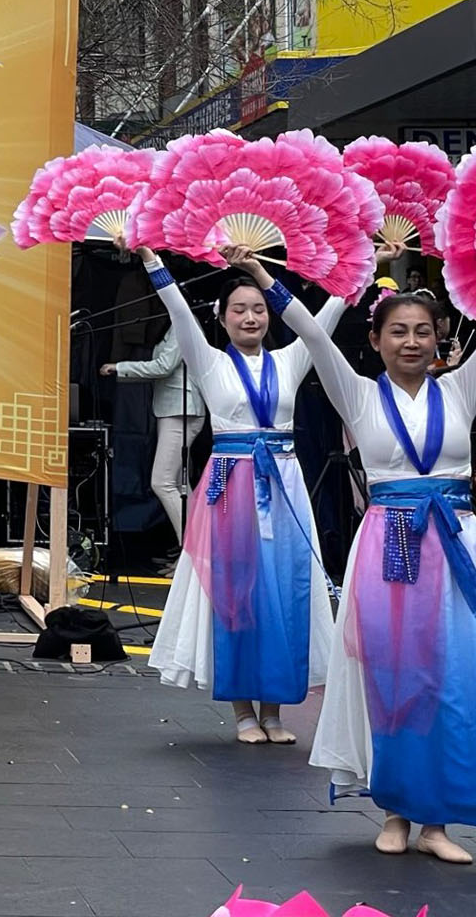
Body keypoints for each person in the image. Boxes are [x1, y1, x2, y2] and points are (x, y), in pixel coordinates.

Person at [234, 248, 476, 864]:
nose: (411, 342)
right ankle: (394, 810)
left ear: (440, 336)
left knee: (452, 681)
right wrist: (260, 274)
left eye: (423, 331)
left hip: (455, 544)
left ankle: (437, 822)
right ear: (375, 339)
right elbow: (312, 332)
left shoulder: (460, 389)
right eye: (398, 331)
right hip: (391, 544)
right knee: (393, 679)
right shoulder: (360, 395)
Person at [132, 242, 343, 744]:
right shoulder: (208, 362)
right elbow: (176, 309)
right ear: (221, 317)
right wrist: (150, 260)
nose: (250, 318)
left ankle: (274, 712)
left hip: (284, 484)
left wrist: (356, 276)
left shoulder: (291, 360)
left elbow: (323, 323)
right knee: (235, 596)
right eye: (239, 310)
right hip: (231, 485)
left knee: (285, 593)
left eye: (258, 309)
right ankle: (244, 713)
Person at [103, 317, 208, 562]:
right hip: (176, 409)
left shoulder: (183, 322)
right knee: (179, 485)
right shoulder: (175, 324)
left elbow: (164, 366)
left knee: (162, 482)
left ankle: (192, 557)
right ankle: (196, 553)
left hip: (181, 410)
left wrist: (119, 367)